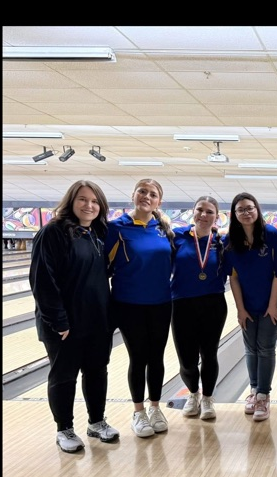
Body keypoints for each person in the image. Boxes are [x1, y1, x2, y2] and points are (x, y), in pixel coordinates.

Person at [29, 180, 119, 453]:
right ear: (71, 201)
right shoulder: (53, 232)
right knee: (64, 377)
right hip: (64, 324)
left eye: (94, 201)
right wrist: (58, 321)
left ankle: (97, 422)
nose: (89, 205)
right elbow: (43, 281)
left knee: (97, 372)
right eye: (83, 199)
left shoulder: (98, 233)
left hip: (97, 320)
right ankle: (64, 429)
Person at [104, 178, 175, 438]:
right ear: (133, 195)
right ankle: (138, 412)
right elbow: (102, 267)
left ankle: (155, 408)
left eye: (152, 194)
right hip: (129, 304)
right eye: (142, 191)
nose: (147, 196)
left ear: (159, 201)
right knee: (138, 357)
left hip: (161, 303)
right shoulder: (116, 228)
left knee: (156, 357)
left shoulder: (164, 229)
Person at [224, 192, 277, 422]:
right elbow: (233, 278)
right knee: (250, 349)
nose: (246, 212)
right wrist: (240, 309)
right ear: (234, 214)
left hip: (270, 304)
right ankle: (254, 390)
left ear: (257, 210)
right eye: (241, 209)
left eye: (250, 208)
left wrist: (273, 305)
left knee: (265, 348)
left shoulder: (271, 236)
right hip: (247, 305)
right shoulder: (231, 241)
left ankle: (263, 396)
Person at [170, 196, 228, 421]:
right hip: (182, 304)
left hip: (213, 304)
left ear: (216, 217)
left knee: (209, 354)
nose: (204, 215)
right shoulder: (177, 237)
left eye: (210, 211)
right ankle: (193, 393)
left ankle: (208, 398)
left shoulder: (222, 242)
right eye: (200, 210)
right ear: (193, 211)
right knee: (187, 358)